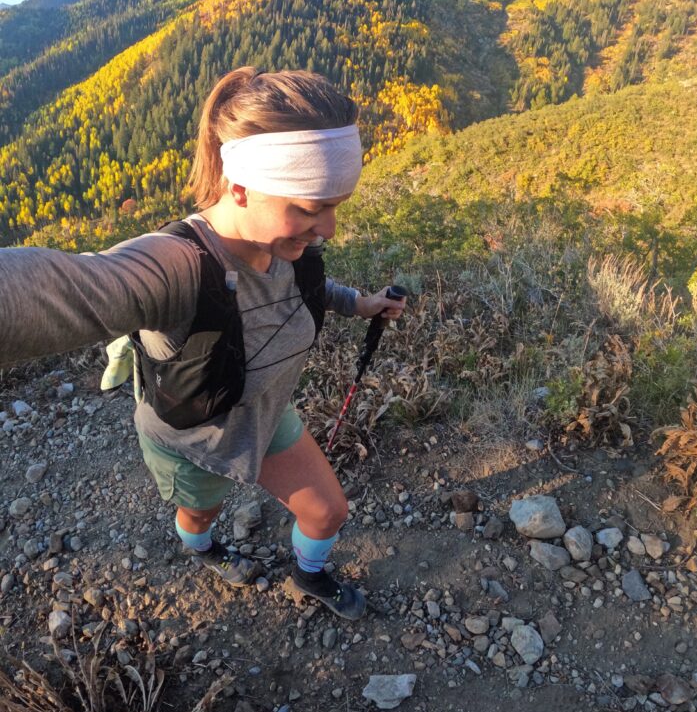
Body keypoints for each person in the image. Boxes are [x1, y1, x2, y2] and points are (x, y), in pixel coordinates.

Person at [0, 68, 406, 620]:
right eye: (310, 207)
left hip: (264, 417)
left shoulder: (289, 248)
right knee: (201, 515)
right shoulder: (177, 266)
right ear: (240, 186)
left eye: (335, 205)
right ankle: (205, 551)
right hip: (189, 439)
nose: (329, 228)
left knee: (329, 512)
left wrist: (360, 303)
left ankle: (309, 577)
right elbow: (68, 288)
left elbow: (309, 288)